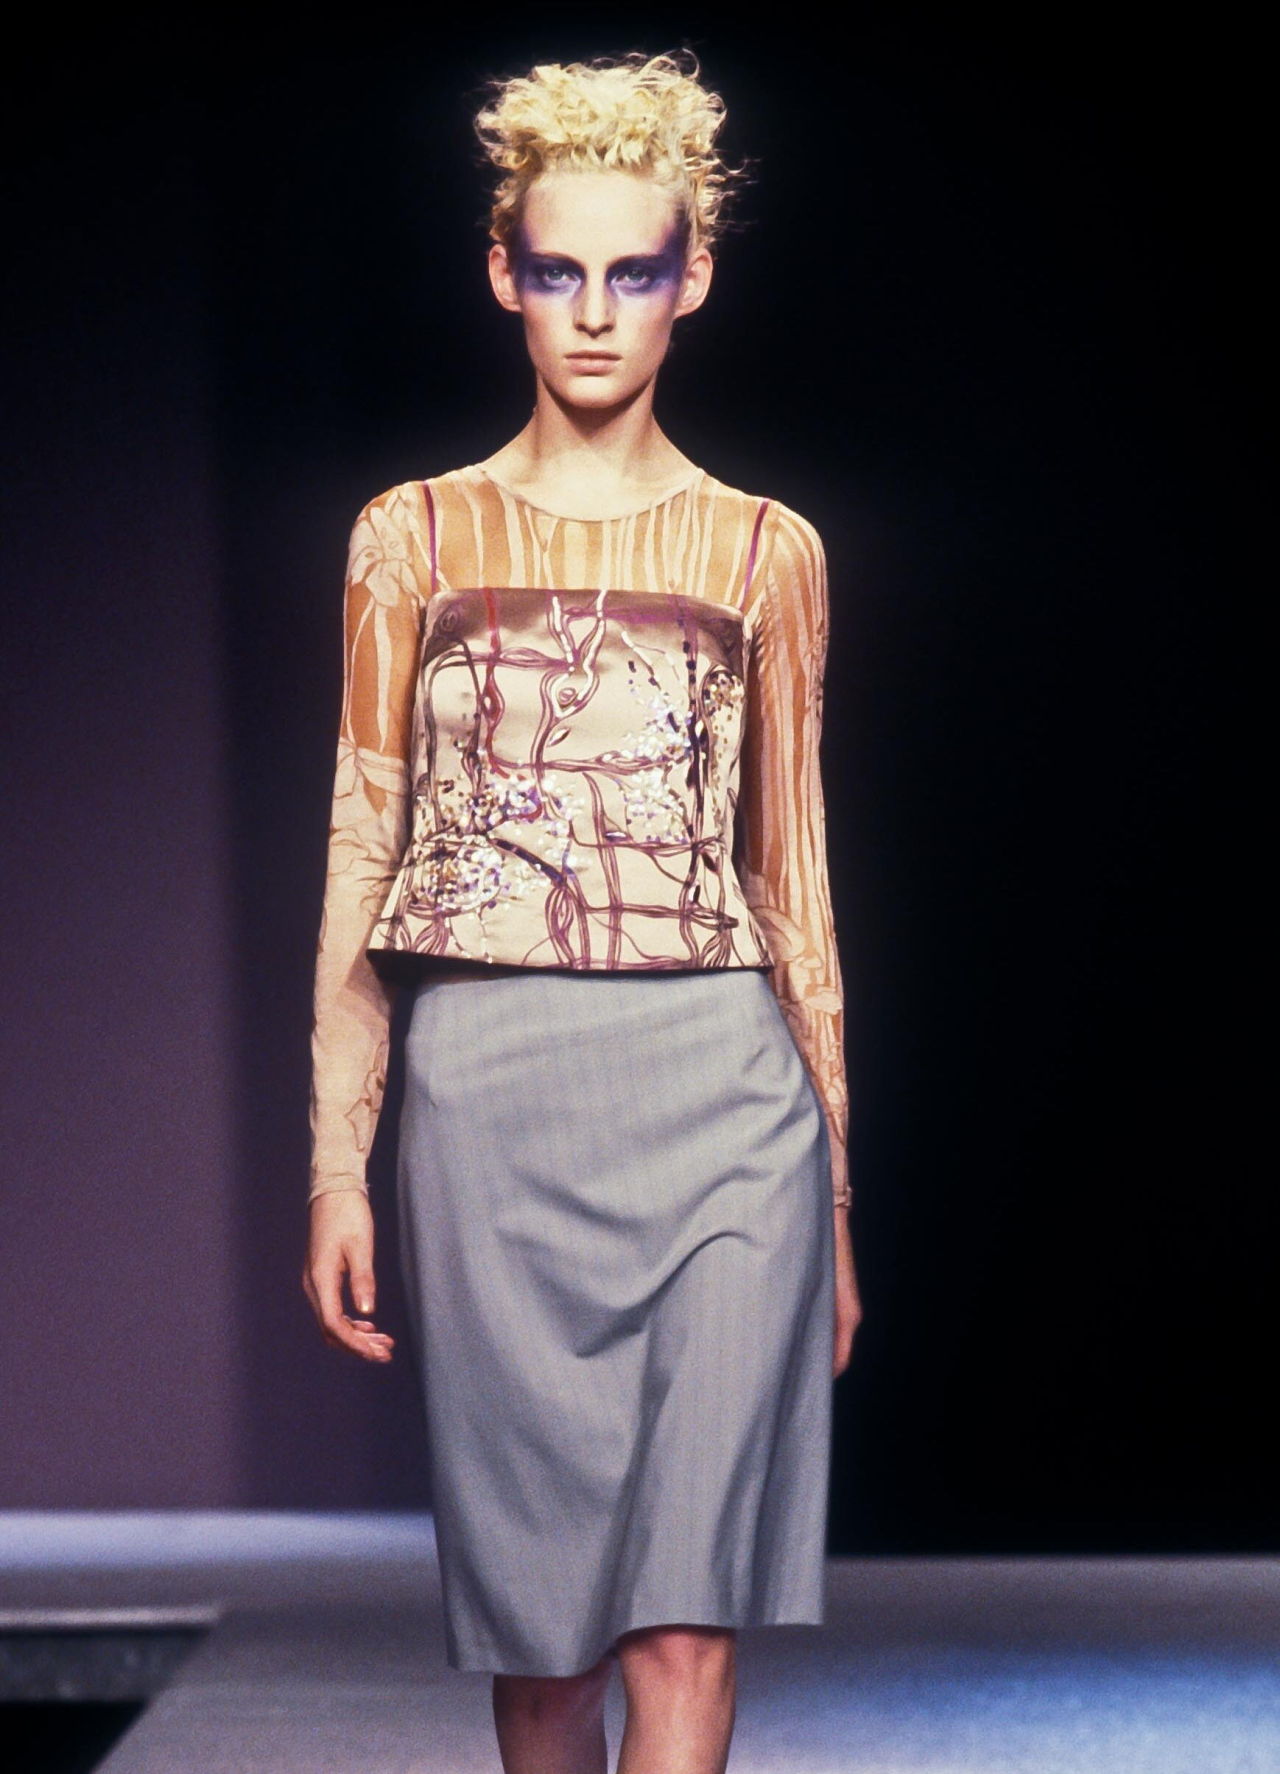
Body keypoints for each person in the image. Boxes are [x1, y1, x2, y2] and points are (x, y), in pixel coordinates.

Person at [303, 49, 862, 1774]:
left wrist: (839, 1188)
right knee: (545, 1647)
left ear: (696, 276)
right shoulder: (411, 538)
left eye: (635, 270)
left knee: (686, 1624)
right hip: (491, 1098)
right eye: (560, 270)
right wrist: (337, 1158)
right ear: (503, 274)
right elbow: (362, 843)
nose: (597, 313)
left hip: (727, 1099)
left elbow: (793, 875)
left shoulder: (768, 550)